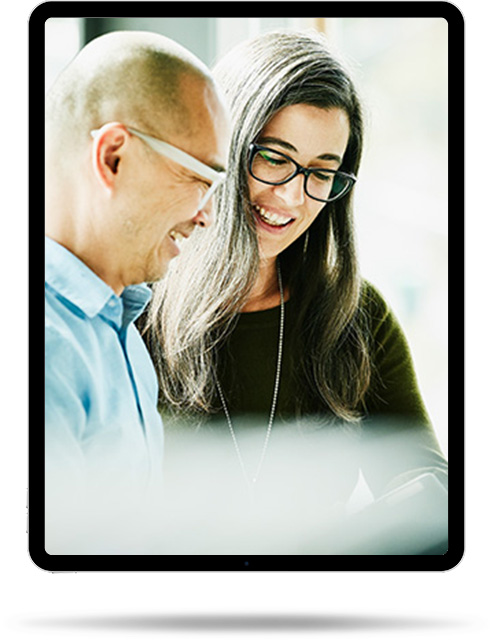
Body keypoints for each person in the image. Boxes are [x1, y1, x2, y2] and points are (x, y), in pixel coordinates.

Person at [146, 30, 447, 518]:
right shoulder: (130, 304)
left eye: (320, 172)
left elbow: (432, 489)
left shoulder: (354, 315)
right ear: (222, 145)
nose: (291, 198)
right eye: (273, 158)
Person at [44, 30, 229, 504]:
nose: (206, 214)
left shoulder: (120, 331)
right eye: (197, 179)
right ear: (114, 157)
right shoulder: (40, 354)